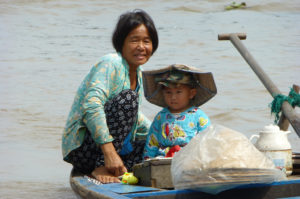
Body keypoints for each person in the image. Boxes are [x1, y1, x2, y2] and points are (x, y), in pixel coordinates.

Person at [62, 9, 159, 184]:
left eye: (146, 41)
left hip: (114, 148)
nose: (141, 47)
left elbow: (135, 119)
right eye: (134, 40)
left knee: (155, 151)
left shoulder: (138, 73)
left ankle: (116, 166)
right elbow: (91, 106)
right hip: (86, 150)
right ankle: (102, 167)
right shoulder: (111, 63)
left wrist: (161, 133)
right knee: (129, 99)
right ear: (121, 43)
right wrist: (109, 154)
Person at [142, 64, 217, 159]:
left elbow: (207, 141)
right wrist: (147, 162)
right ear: (163, 93)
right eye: (168, 92)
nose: (173, 97)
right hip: (164, 159)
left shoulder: (198, 116)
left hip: (189, 158)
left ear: (191, 93)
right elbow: (152, 142)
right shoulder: (161, 116)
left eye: (179, 92)